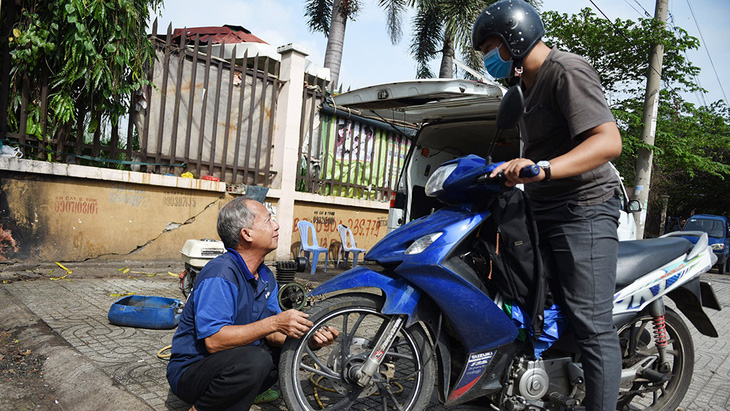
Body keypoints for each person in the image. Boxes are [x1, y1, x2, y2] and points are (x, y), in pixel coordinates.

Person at [473, 1, 623, 410]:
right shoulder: (523, 87)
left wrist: (544, 169)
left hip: (585, 209)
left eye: (491, 47)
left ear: (514, 39)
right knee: (535, 305)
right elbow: (534, 154)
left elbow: (608, 142)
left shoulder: (565, 71)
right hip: (544, 209)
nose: (489, 58)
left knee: (592, 325)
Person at [167, 197, 338, 410]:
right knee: (256, 361)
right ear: (247, 234)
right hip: (191, 371)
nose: (276, 226)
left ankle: (241, 394)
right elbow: (214, 341)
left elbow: (273, 334)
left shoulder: (265, 275)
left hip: (230, 360)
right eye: (268, 221)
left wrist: (309, 340)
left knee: (282, 354)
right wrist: (275, 323)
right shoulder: (220, 275)